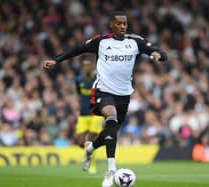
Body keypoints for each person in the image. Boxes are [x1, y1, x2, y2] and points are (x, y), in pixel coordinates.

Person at [43, 11, 168, 187]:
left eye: (125, 24)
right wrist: (57, 60)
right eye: (119, 24)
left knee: (110, 132)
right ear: (111, 25)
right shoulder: (101, 42)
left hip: (124, 95)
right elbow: (77, 49)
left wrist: (158, 55)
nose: (122, 27)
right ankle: (111, 170)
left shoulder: (135, 42)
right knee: (111, 118)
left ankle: (90, 149)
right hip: (103, 91)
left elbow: (157, 51)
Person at [75, 57, 104, 173]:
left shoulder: (98, 79)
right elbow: (79, 95)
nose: (86, 67)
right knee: (79, 142)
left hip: (95, 114)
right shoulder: (79, 79)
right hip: (83, 114)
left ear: (92, 67)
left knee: (91, 139)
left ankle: (92, 166)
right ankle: (89, 153)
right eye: (84, 65)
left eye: (88, 65)